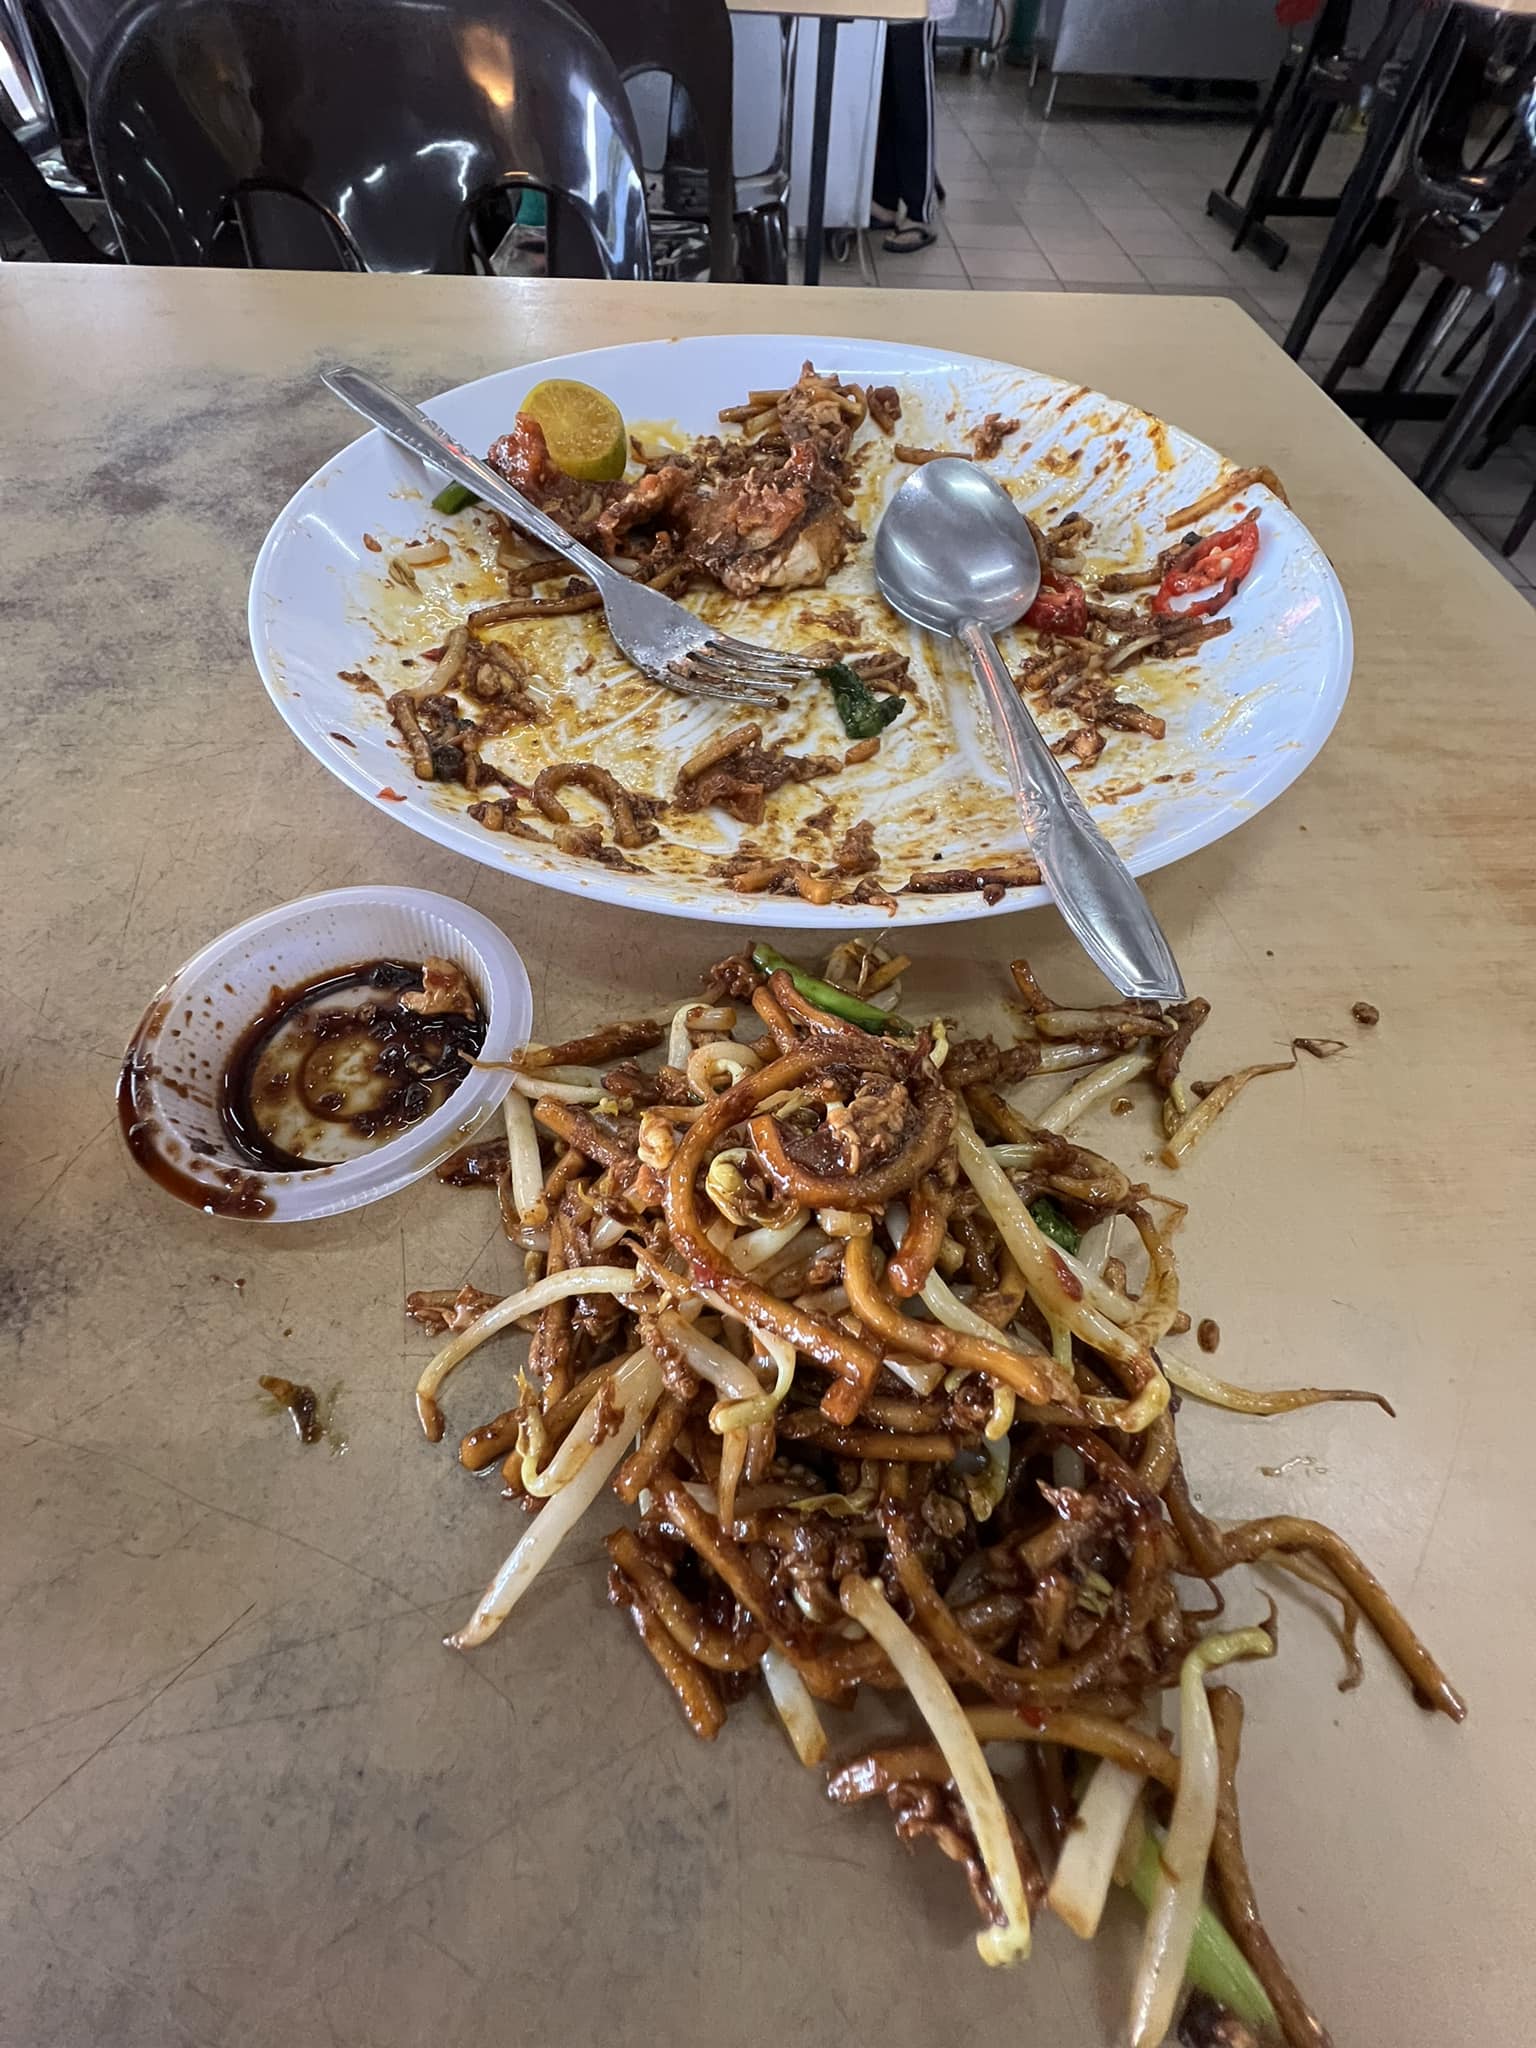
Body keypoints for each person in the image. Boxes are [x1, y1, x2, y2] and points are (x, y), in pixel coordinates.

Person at [870, 4, 952, 254]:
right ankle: (884, 202)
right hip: (876, 12)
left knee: (913, 101)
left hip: (917, 8)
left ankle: (920, 211)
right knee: (883, 98)